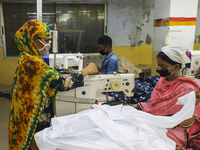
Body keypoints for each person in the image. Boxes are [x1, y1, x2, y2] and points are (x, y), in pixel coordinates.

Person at [8, 20, 98, 150]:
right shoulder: (32, 62)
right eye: (46, 40)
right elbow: (61, 83)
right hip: (34, 117)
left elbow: (45, 78)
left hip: (27, 111)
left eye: (50, 40)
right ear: (33, 39)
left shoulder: (26, 57)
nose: (48, 44)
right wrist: (86, 71)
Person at [137, 43, 200, 150]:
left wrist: (190, 106)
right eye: (159, 65)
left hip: (177, 131)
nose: (159, 68)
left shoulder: (187, 89)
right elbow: (154, 105)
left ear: (176, 67)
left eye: (163, 66)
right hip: (158, 124)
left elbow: (187, 124)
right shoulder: (162, 81)